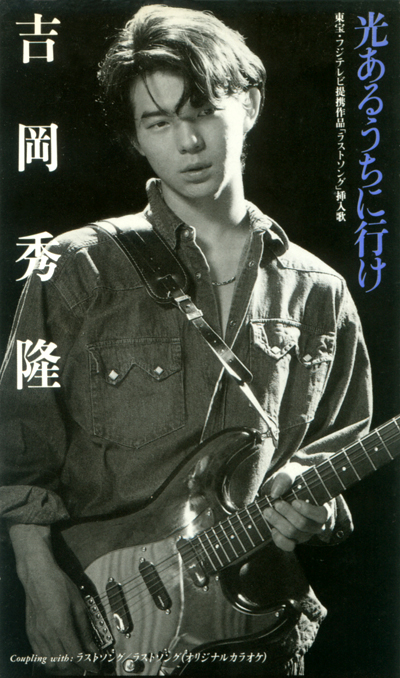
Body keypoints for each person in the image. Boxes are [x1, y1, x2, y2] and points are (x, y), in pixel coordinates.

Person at [0, 4, 372, 676]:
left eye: (202, 110)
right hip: (108, 619)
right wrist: (37, 577)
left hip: (256, 631)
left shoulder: (321, 292)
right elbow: (20, 449)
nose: (188, 141)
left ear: (249, 106)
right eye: (159, 121)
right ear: (138, 140)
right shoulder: (77, 267)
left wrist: (314, 508)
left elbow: (338, 454)